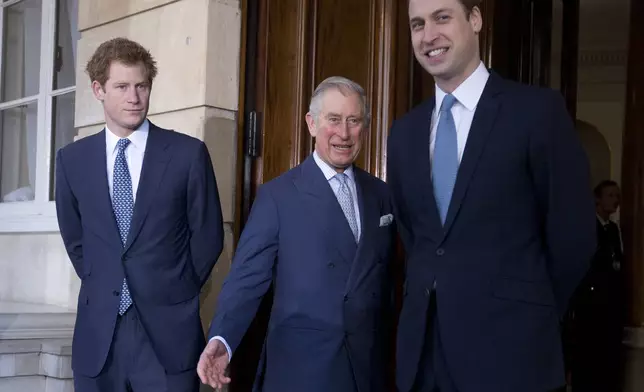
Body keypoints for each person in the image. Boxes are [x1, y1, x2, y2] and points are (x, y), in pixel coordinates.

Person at [386, 0, 597, 391]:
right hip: (422, 361)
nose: (428, 35)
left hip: (512, 355)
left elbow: (574, 237)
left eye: (442, 17)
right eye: (417, 24)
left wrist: (528, 312)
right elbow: (418, 237)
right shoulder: (403, 133)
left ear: (476, 19)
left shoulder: (537, 112)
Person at [197, 76, 396, 392]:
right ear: (312, 124)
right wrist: (223, 339)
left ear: (365, 127)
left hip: (369, 370)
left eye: (354, 121)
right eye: (333, 120)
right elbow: (246, 281)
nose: (343, 133)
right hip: (303, 370)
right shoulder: (278, 197)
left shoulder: (382, 195)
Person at [55, 37, 224, 392]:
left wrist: (175, 289)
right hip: (99, 339)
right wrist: (104, 280)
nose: (134, 97)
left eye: (142, 86)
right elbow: (76, 240)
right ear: (98, 89)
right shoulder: (72, 161)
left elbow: (208, 237)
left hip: (169, 336)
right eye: (122, 87)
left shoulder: (187, 154)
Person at [568, 180, 625, 391]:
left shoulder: (613, 230)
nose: (616, 201)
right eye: (610, 195)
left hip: (610, 307)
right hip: (591, 307)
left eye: (617, 196)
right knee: (589, 364)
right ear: (597, 199)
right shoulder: (587, 227)